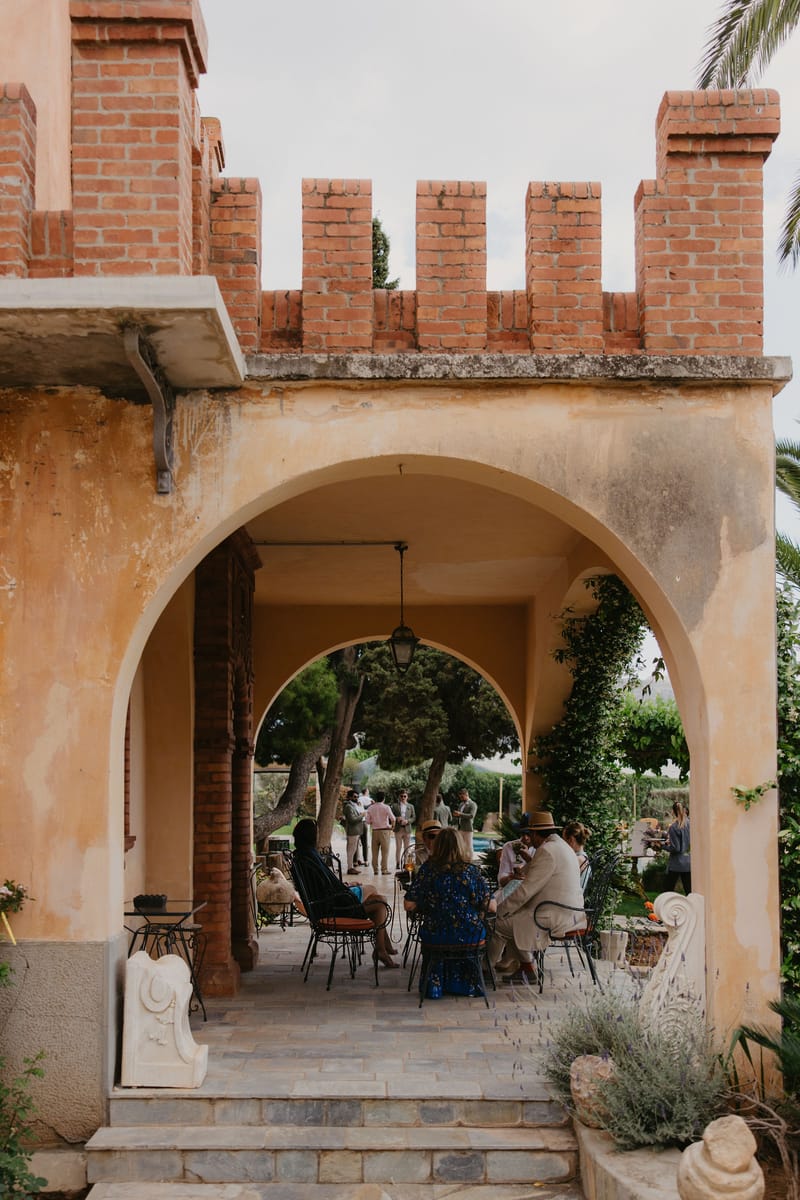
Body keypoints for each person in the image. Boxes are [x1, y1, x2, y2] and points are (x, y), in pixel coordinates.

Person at [489, 810, 586, 983]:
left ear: (534, 833)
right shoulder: (561, 846)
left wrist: (499, 910)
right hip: (570, 912)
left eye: (528, 833)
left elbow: (525, 891)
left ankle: (485, 969)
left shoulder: (547, 850)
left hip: (553, 916)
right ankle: (525, 968)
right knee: (511, 917)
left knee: (498, 922)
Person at [291, 818, 398, 966]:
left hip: (322, 907)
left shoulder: (301, 856)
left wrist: (346, 887)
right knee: (380, 904)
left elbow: (326, 885)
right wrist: (347, 889)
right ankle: (381, 950)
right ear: (311, 836)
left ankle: (383, 948)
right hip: (333, 910)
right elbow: (330, 887)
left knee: (378, 899)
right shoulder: (310, 857)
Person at [404, 827, 496, 998]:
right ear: (461, 846)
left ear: (437, 846)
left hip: (436, 934)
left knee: (439, 936)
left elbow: (409, 905)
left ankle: (436, 986)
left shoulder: (428, 870)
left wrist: (426, 903)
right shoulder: (472, 871)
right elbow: (491, 908)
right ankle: (466, 985)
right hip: (470, 935)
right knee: (471, 931)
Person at [496, 819, 535, 900]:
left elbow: (540, 876)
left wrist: (528, 859)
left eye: (528, 834)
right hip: (511, 890)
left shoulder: (542, 848)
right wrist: (511, 877)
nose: (525, 838)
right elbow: (501, 879)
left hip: (531, 892)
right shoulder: (509, 846)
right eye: (522, 833)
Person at [364, 789, 395, 875]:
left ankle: (375, 870)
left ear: (376, 798)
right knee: (385, 852)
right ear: (384, 798)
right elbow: (393, 819)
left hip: (374, 831)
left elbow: (367, 821)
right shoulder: (386, 807)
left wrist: (374, 821)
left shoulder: (370, 808)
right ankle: (384, 869)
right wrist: (392, 827)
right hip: (384, 831)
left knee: (374, 852)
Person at [665, 801, 691, 894]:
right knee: (689, 890)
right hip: (689, 862)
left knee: (667, 891)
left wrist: (663, 846)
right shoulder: (691, 824)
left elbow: (676, 848)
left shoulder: (674, 827)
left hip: (676, 864)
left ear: (673, 812)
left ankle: (664, 908)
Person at [342, 788, 365, 875]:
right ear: (350, 797)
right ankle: (350, 868)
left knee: (353, 849)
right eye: (355, 797)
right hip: (352, 831)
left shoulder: (354, 805)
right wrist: (362, 816)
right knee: (351, 850)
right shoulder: (348, 806)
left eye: (357, 797)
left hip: (356, 831)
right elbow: (352, 820)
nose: (357, 798)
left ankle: (351, 867)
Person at [390, 789, 416, 868]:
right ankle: (398, 863)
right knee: (398, 847)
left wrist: (408, 821)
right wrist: (397, 818)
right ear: (399, 797)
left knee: (407, 848)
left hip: (407, 829)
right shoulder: (394, 806)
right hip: (398, 828)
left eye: (405, 796)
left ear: (407, 797)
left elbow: (414, 817)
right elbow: (391, 816)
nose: (403, 797)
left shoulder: (411, 806)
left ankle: (405, 863)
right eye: (401, 796)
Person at [453, 787, 477, 859]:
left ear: (466, 794)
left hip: (468, 828)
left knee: (469, 845)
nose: (461, 798)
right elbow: (460, 815)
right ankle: (462, 858)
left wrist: (460, 814)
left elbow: (471, 815)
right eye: (460, 797)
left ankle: (470, 859)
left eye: (462, 796)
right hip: (460, 827)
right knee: (460, 845)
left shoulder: (473, 804)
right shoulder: (461, 804)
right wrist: (456, 815)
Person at [357, 786, 372, 865]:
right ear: (366, 792)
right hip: (365, 821)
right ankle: (366, 860)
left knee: (357, 842)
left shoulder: (358, 799)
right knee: (365, 842)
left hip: (358, 821)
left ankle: (357, 859)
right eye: (368, 791)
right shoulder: (369, 799)